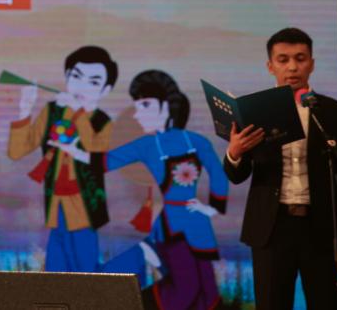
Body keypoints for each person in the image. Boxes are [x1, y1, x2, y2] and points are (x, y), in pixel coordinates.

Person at [60, 70, 229, 309]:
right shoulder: (147, 145)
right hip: (171, 228)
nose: (138, 113)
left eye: (145, 105)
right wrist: (75, 152)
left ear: (166, 106)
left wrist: (213, 207)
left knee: (208, 294)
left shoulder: (196, 141)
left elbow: (218, 174)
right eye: (137, 106)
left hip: (198, 227)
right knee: (187, 288)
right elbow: (106, 161)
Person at [223, 27, 337, 309]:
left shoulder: (334, 113)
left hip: (320, 228)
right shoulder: (253, 112)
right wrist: (235, 152)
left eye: (300, 58)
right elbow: (237, 175)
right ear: (270, 66)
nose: (292, 67)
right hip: (271, 229)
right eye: (283, 59)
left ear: (311, 63)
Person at [6, 46, 118, 272]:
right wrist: (25, 110)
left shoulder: (103, 122)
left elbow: (96, 151)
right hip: (56, 206)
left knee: (86, 273)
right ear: (67, 77)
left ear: (106, 90)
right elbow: (16, 151)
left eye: (93, 82)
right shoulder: (53, 112)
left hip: (85, 210)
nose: (82, 86)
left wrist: (78, 113)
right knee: (56, 271)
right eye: (76, 77)